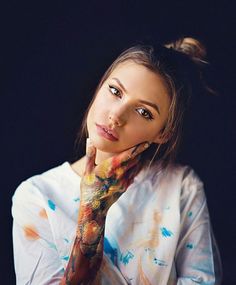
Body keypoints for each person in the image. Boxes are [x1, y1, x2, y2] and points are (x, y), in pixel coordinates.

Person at [12, 37, 222, 284]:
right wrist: (93, 213)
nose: (116, 116)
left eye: (144, 112)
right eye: (115, 91)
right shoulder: (37, 195)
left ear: (162, 134)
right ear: (100, 86)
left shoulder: (180, 187)